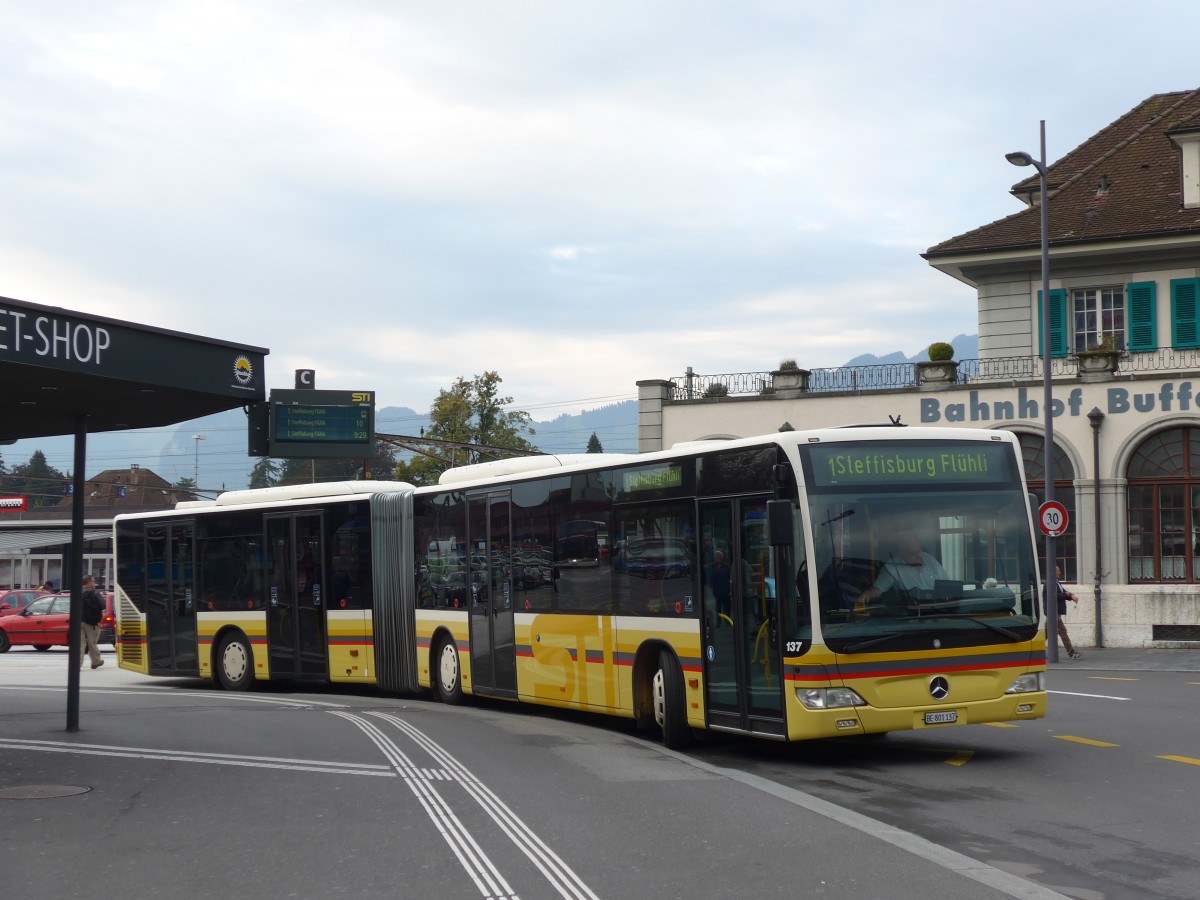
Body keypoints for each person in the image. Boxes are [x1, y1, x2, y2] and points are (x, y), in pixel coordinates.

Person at [859, 530, 950, 603]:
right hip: (910, 615)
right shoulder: (892, 567)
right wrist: (868, 594)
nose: (918, 556)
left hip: (938, 609)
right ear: (902, 552)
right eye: (913, 554)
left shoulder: (929, 559)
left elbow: (947, 584)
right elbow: (878, 589)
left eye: (918, 551)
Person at [1051, 565, 1082, 659]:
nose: (1060, 573)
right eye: (1058, 571)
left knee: (1045, 633)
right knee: (1063, 632)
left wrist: (1071, 596)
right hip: (1053, 612)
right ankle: (1072, 653)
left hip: (1056, 612)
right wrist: (1066, 594)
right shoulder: (1050, 583)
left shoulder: (1057, 582)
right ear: (1053, 573)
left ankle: (1034, 651)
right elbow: (1055, 596)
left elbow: (1063, 593)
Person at [80, 575, 105, 670]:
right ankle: (95, 661)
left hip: (78, 621)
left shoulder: (78, 593)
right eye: (93, 581)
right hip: (91, 623)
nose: (95, 583)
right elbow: (103, 605)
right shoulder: (95, 593)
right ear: (89, 583)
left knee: (80, 644)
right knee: (92, 643)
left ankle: (77, 665)